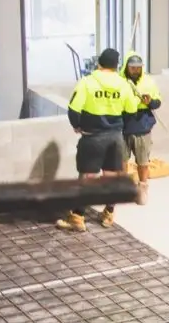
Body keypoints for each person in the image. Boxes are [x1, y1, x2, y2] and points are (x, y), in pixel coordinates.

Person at [60, 47, 139, 232]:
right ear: (116, 66)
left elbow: (73, 109)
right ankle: (108, 213)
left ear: (99, 63)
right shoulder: (123, 85)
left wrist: (77, 125)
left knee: (87, 177)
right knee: (111, 177)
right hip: (114, 138)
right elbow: (132, 111)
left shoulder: (87, 82)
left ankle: (78, 217)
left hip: (92, 138)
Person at [121, 52, 161, 205]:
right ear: (127, 67)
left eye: (138, 68)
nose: (136, 71)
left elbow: (158, 102)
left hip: (142, 125)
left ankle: (143, 189)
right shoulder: (120, 82)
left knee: (143, 161)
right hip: (123, 125)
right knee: (122, 160)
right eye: (132, 68)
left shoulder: (149, 82)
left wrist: (150, 101)